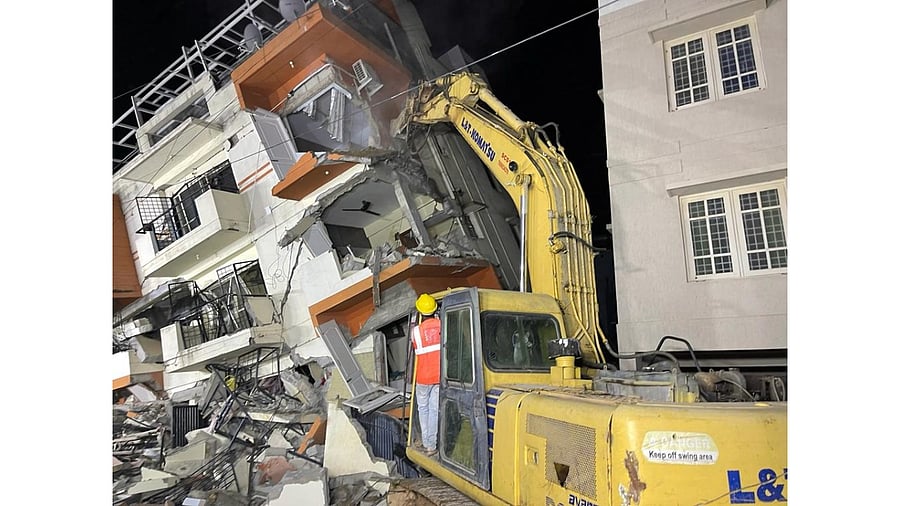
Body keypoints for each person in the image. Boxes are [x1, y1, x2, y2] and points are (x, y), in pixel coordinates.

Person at [411, 293, 441, 456]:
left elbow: (416, 347)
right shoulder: (443, 325)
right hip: (438, 376)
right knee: (434, 409)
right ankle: (431, 445)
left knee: (423, 409)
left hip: (422, 377)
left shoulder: (415, 332)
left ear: (420, 312)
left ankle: (427, 441)